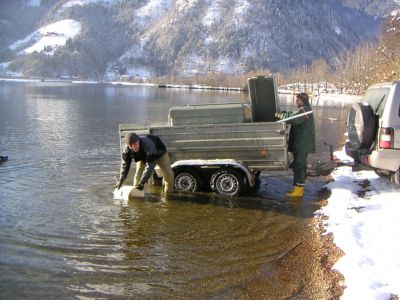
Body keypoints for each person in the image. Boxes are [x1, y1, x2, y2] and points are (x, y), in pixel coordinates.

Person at [275, 92, 315, 197]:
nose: (296, 101)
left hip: (302, 144)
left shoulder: (306, 110)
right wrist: (283, 113)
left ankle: (299, 191)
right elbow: (292, 114)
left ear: (303, 100)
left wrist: (281, 116)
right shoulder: (303, 109)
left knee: (300, 166)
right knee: (297, 165)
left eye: (298, 100)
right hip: (299, 144)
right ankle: (298, 188)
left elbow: (293, 119)